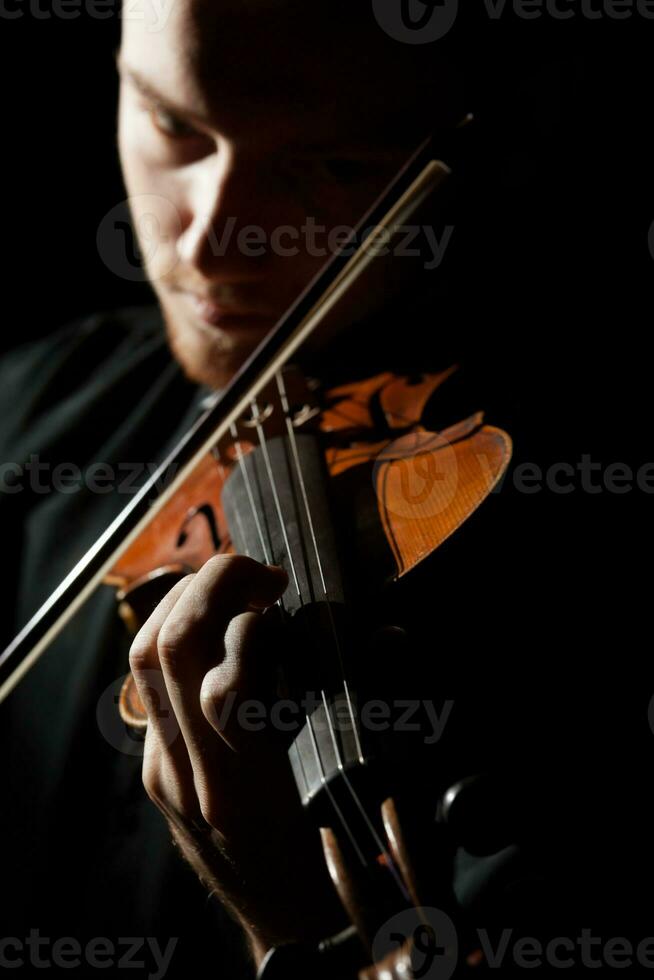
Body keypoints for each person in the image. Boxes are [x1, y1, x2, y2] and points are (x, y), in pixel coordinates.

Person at [1, 2, 650, 978]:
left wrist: (297, 926)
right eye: (174, 124)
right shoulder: (36, 406)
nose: (213, 242)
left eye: (335, 168)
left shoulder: (576, 551)